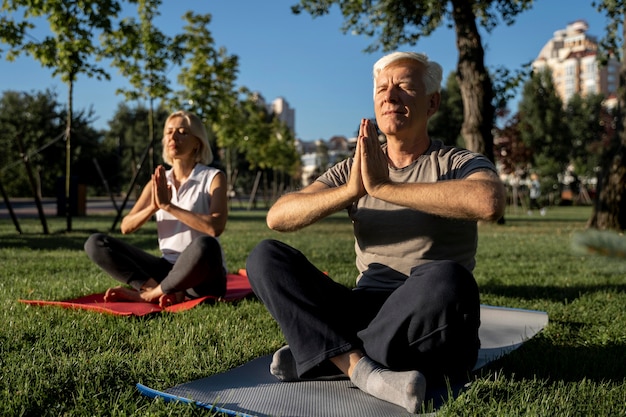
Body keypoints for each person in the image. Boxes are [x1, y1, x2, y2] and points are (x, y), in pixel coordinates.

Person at [245, 52, 506, 414]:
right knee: (265, 256)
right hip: (364, 307)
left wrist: (384, 188)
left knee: (448, 277)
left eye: (404, 86)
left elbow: (489, 201)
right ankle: (358, 367)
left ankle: (324, 353)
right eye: (382, 88)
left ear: (432, 103)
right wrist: (351, 191)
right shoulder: (357, 168)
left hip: (428, 310)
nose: (390, 95)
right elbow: (279, 216)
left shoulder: (456, 162)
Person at [84, 110, 228, 307]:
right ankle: (155, 288)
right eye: (168, 132)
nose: (173, 137)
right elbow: (126, 226)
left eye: (182, 132)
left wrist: (168, 206)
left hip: (202, 276)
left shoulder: (213, 177)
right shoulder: (159, 183)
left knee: (206, 245)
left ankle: (149, 295)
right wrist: (153, 206)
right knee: (96, 243)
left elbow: (215, 227)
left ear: (198, 142)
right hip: (166, 268)